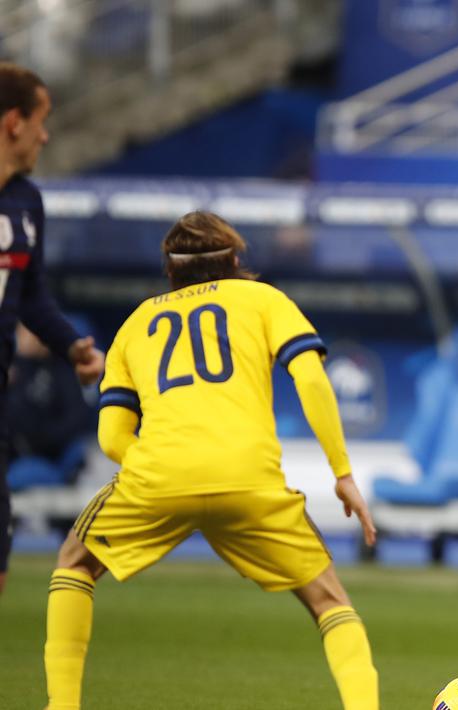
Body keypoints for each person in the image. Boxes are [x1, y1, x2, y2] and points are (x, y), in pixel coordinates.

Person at [43, 212, 380, 710]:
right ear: (236, 260)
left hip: (158, 477)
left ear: (170, 271)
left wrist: (166, 467)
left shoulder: (137, 322)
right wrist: (342, 474)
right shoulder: (264, 299)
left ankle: (63, 705)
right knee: (329, 600)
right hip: (249, 477)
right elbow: (309, 380)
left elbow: (112, 435)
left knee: (74, 563)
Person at [0, 62, 104, 598]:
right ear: (14, 121)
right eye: (42, 119)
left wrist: (71, 347)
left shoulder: (25, 203)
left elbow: (32, 296)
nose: (47, 133)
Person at [7, 324, 94, 488]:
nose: (22, 337)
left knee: (21, 474)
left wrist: (41, 438)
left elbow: (78, 418)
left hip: (52, 456)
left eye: (28, 332)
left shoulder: (63, 368)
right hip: (15, 455)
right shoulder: (14, 369)